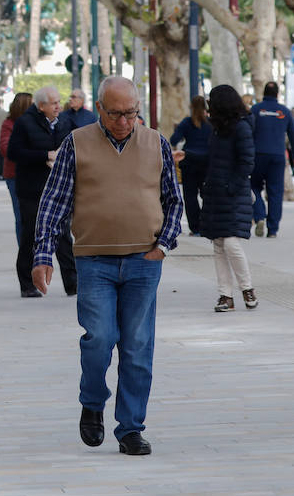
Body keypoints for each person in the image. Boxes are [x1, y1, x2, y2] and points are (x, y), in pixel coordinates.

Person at [32, 77, 184, 456]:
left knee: (137, 347)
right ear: (99, 108)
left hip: (143, 261)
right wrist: (43, 255)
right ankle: (93, 400)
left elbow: (174, 200)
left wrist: (163, 246)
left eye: (130, 113)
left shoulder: (156, 143)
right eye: (115, 113)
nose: (123, 121)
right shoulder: (77, 143)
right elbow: (54, 200)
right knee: (99, 338)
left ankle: (131, 428)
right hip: (94, 260)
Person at [8, 86, 76, 298]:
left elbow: (74, 145)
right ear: (41, 106)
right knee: (31, 235)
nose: (58, 106)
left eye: (58, 102)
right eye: (53, 103)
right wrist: (45, 156)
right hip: (32, 188)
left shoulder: (64, 122)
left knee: (64, 235)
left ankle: (73, 284)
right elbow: (14, 152)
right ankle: (28, 284)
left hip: (58, 188)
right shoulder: (24, 123)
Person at [199, 86, 257, 312]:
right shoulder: (216, 129)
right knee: (219, 245)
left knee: (232, 243)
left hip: (232, 194)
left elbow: (247, 161)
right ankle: (225, 295)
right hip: (215, 194)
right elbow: (213, 160)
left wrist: (231, 186)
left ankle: (247, 288)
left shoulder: (241, 128)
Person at [250, 81, 294, 238]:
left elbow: (248, 132)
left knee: (254, 187)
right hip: (278, 156)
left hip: (258, 155)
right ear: (277, 94)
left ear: (263, 93)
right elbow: (293, 136)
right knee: (275, 192)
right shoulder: (285, 111)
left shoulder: (256, 110)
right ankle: (272, 229)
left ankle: (259, 216)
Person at [169, 95, 211, 235]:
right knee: (207, 195)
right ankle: (206, 225)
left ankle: (195, 227)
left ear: (191, 107)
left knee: (190, 196)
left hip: (189, 161)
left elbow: (174, 139)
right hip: (207, 161)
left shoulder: (186, 122)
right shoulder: (210, 123)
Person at [0, 92, 32, 246]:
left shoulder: (37, 123)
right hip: (14, 175)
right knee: (20, 216)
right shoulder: (9, 124)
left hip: (34, 174)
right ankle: (24, 251)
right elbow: (6, 149)